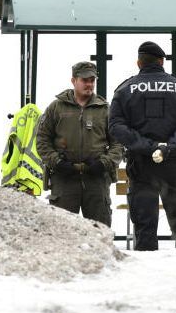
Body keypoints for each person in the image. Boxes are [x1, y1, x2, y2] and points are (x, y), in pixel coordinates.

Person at [108, 41, 176, 250]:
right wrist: (169, 146)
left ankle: (146, 276)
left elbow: (116, 126)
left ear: (139, 62)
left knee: (144, 226)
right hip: (174, 165)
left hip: (141, 165)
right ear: (161, 61)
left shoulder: (125, 89)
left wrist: (148, 146)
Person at [36, 61, 123, 226]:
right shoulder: (56, 108)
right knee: (62, 232)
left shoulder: (105, 109)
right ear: (73, 81)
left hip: (96, 180)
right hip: (64, 179)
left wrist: (103, 163)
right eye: (84, 80)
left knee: (100, 231)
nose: (89, 84)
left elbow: (118, 143)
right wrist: (58, 162)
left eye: (92, 80)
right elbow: (42, 139)